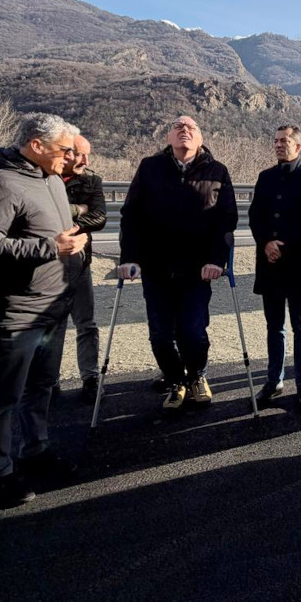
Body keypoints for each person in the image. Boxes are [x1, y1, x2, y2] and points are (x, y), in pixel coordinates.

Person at [0, 113, 86, 509]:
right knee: (4, 396)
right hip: (16, 311)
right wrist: (50, 248)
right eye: (64, 150)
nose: (70, 158)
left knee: (40, 387)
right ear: (36, 146)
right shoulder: (0, 183)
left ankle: (35, 449)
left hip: (53, 305)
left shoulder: (50, 179)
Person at [117, 116, 237, 411]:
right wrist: (129, 258)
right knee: (160, 334)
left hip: (198, 268)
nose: (184, 130)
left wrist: (216, 260)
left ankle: (197, 375)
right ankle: (175, 380)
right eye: (178, 127)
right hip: (156, 266)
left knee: (192, 331)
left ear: (201, 138)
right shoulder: (150, 167)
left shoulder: (217, 171)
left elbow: (226, 220)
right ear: (168, 137)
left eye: (191, 128)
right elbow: (131, 215)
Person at [248, 125, 301, 411]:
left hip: (298, 263)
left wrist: (284, 245)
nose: (279, 145)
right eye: (276, 140)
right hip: (270, 264)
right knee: (274, 326)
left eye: (285, 141)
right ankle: (274, 380)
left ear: (298, 146)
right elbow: (256, 215)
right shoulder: (265, 177)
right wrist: (267, 241)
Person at [61, 134, 107, 402]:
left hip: (80, 263)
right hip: (45, 264)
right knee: (49, 326)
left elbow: (99, 217)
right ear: (65, 152)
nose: (85, 160)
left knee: (86, 323)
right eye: (79, 154)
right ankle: (48, 379)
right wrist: (77, 208)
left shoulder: (91, 180)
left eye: (87, 155)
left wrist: (74, 225)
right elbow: (37, 213)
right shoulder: (42, 177)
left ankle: (90, 377)